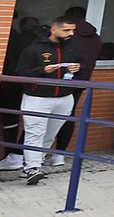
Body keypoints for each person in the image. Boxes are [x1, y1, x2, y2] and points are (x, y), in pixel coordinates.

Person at [13, 15, 82, 183]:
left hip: (65, 97)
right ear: (54, 29)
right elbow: (20, 73)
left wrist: (78, 68)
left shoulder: (74, 48)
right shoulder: (34, 49)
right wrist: (42, 71)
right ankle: (32, 168)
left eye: (72, 30)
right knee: (35, 132)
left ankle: (35, 164)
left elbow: (83, 68)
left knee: (50, 133)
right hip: (37, 97)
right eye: (66, 30)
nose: (70, 33)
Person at [50, 5, 103, 163]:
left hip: (60, 79)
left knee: (46, 114)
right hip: (81, 80)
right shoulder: (95, 37)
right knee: (68, 115)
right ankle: (59, 155)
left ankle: (33, 154)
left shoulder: (68, 36)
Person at [0, 16, 44, 168]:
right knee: (17, 120)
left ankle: (14, 155)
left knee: (14, 120)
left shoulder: (17, 39)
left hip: (11, 84)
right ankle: (17, 155)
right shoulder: (30, 41)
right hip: (17, 84)